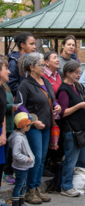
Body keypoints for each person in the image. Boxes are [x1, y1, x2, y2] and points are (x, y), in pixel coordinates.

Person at [16, 52, 61, 204]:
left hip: (47, 125)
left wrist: (56, 105)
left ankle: (36, 188)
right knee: (36, 158)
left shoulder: (45, 81)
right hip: (34, 127)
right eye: (41, 64)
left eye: (43, 64)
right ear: (31, 67)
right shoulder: (25, 84)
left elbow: (51, 99)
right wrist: (33, 120)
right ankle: (30, 191)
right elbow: (19, 105)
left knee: (42, 159)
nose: (44, 67)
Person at [56, 61, 85, 197]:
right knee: (71, 159)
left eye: (79, 72)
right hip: (71, 129)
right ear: (67, 73)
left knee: (81, 160)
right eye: (76, 72)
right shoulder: (63, 89)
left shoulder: (77, 86)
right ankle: (66, 186)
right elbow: (63, 112)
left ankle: (79, 184)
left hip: (82, 127)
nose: (79, 75)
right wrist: (80, 106)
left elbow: (82, 101)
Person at [8, 112, 37, 206]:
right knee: (19, 186)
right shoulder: (18, 138)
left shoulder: (21, 135)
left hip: (23, 166)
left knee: (22, 185)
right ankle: (16, 203)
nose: (30, 126)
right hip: (21, 166)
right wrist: (27, 159)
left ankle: (21, 202)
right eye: (29, 125)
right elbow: (16, 154)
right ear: (24, 126)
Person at [7, 32, 36, 96]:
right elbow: (11, 84)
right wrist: (27, 94)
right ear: (22, 45)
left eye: (34, 44)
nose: (34, 47)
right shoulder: (14, 61)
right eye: (31, 44)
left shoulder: (31, 60)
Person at [0, 56, 11, 206]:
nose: (9, 71)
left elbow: (2, 114)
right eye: (6, 68)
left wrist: (2, 134)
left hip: (1, 131)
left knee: (0, 166)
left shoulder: (2, 88)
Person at [2, 82, 15, 185]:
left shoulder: (5, 85)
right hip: (3, 126)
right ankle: (6, 173)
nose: (9, 71)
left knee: (6, 154)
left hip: (9, 124)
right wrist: (12, 107)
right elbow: (2, 107)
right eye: (6, 68)